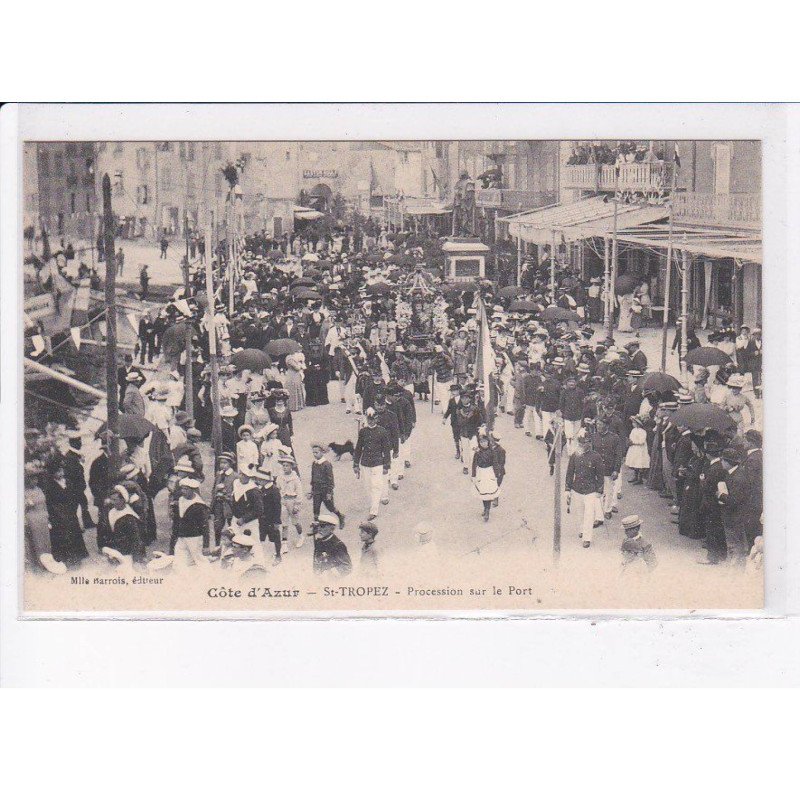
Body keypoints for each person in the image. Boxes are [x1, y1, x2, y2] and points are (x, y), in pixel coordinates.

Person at [564, 434, 605, 548]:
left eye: (585, 443)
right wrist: (567, 489)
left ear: (589, 443)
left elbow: (600, 475)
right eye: (580, 443)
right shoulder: (575, 456)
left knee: (589, 514)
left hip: (590, 490)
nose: (582, 445)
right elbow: (570, 473)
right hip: (577, 489)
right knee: (580, 512)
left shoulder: (596, 457)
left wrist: (599, 490)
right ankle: (582, 530)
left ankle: (587, 538)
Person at [353, 407, 392, 521]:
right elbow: (359, 448)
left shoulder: (382, 432)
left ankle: (374, 510)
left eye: (373, 419)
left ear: (377, 418)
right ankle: (373, 503)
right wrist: (356, 464)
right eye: (369, 419)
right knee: (367, 486)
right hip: (365, 463)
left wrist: (386, 465)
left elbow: (386, 450)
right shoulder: (363, 432)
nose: (371, 421)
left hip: (377, 463)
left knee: (376, 486)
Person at [309, 442, 345, 527]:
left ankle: (340, 516)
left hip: (325, 490)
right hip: (316, 490)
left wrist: (329, 492)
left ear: (322, 452)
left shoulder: (327, 464)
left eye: (316, 452)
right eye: (313, 452)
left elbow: (330, 480)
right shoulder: (314, 463)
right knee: (316, 508)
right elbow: (313, 477)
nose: (314, 454)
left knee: (330, 507)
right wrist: (311, 490)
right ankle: (316, 526)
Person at [471, 429, 502, 522]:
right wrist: (473, 475)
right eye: (481, 442)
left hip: (489, 473)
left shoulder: (492, 452)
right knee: (483, 492)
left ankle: (487, 510)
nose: (483, 444)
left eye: (485, 442)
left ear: (488, 442)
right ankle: (485, 508)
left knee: (488, 493)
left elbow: (495, 463)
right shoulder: (477, 452)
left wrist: (496, 475)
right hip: (481, 473)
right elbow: (474, 464)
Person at [277, 454, 304, 551]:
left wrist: (297, 505)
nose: (285, 467)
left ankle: (301, 536)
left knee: (295, 522)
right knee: (284, 523)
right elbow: (277, 488)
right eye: (283, 465)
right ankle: (284, 543)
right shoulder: (280, 477)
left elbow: (299, 493)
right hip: (283, 501)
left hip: (293, 501)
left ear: (291, 466)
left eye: (287, 465)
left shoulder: (295, 478)